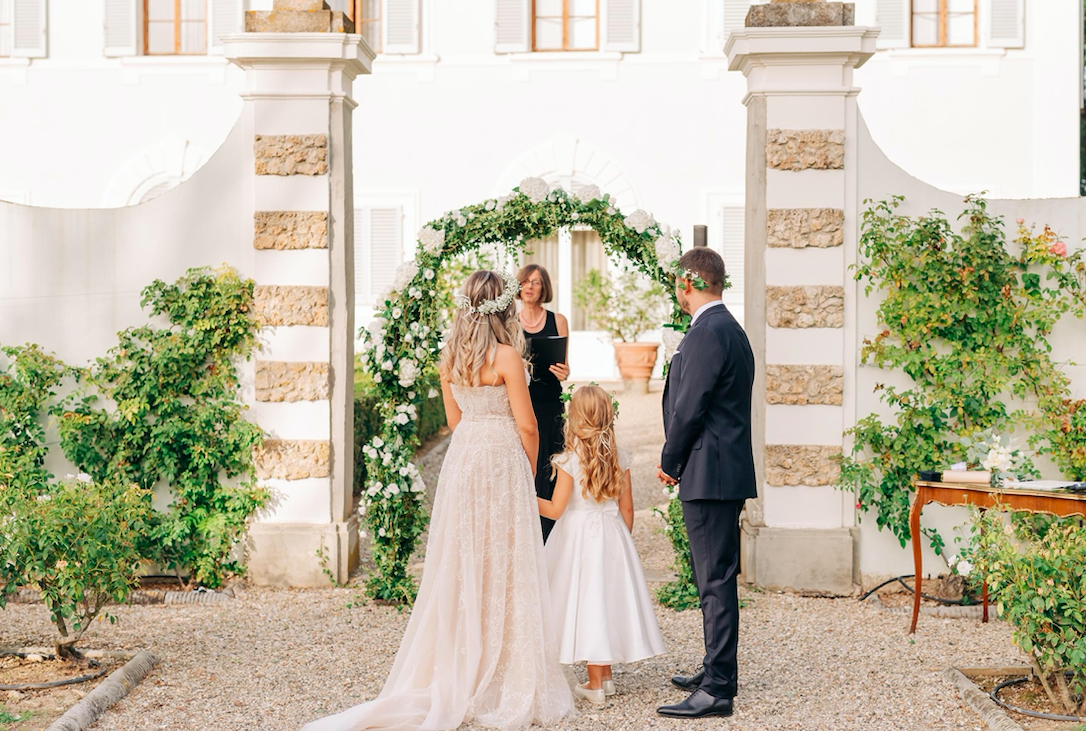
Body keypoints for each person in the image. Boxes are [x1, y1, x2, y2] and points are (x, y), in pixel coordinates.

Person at [302, 270, 572, 731]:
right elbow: (529, 426)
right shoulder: (507, 356)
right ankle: (502, 665)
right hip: (503, 459)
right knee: (504, 560)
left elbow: (452, 420)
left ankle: (462, 658)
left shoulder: (451, 356)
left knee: (464, 557)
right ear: (503, 306)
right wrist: (525, 474)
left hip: (465, 459)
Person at [654, 248, 756, 720]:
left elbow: (689, 407)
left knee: (714, 581)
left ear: (689, 283)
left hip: (708, 474)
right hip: (720, 472)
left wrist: (670, 461)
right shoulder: (730, 329)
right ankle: (718, 669)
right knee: (713, 578)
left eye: (678, 282)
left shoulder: (707, 333)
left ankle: (717, 689)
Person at [538, 384, 665, 706]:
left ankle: (594, 686)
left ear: (574, 418)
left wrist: (526, 497)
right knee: (605, 600)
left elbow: (554, 510)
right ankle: (604, 677)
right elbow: (628, 509)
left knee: (588, 602)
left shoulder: (569, 460)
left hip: (579, 538)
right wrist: (623, 543)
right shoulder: (619, 457)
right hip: (612, 534)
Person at [517, 264, 570, 542]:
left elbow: (565, 365)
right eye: (525, 281)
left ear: (544, 287)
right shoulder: (509, 322)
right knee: (524, 464)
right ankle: (523, 531)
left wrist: (564, 372)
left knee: (550, 466)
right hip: (520, 402)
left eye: (536, 282)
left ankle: (548, 535)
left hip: (550, 402)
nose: (530, 286)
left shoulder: (558, 320)